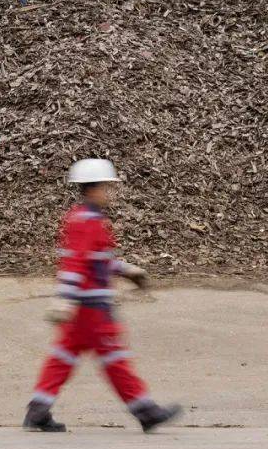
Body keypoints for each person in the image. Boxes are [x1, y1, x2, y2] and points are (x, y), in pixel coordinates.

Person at [23, 158, 181, 433]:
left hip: (83, 306)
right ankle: (146, 411)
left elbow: (97, 259)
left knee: (62, 356)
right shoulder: (88, 221)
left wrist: (125, 270)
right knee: (114, 359)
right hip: (92, 307)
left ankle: (38, 410)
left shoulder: (81, 217)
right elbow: (76, 262)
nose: (109, 192)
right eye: (106, 187)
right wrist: (66, 297)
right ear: (92, 189)